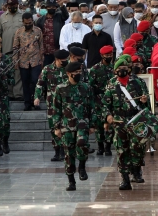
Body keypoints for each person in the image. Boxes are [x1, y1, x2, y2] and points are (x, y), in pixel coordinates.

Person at [103, 55, 150, 190]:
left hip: (136, 119)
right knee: (121, 150)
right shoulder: (111, 84)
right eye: (119, 68)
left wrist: (144, 101)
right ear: (115, 70)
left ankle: (136, 171)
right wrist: (108, 116)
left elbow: (147, 101)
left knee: (137, 148)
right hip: (119, 121)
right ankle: (124, 179)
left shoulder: (138, 82)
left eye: (125, 68)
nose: (122, 70)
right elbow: (106, 104)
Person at [52, 62, 96, 191]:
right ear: (68, 74)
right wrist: (56, 127)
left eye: (79, 72)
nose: (78, 74)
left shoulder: (86, 87)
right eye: (75, 73)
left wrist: (92, 125)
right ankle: (71, 180)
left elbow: (92, 107)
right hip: (67, 125)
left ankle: (82, 166)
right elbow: (56, 109)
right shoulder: (60, 88)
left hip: (83, 123)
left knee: (82, 143)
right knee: (68, 153)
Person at [34, 49, 69, 162]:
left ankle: (65, 151)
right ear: (57, 60)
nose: (65, 61)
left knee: (65, 127)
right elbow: (40, 84)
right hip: (52, 105)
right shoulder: (47, 69)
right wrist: (37, 97)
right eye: (63, 60)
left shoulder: (68, 69)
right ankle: (57, 151)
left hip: (66, 104)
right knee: (54, 128)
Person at [13, 13, 44, 111]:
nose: (28, 24)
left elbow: (41, 46)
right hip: (23, 61)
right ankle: (27, 103)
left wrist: (41, 60)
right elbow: (15, 47)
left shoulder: (38, 31)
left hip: (36, 60)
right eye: (26, 23)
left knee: (35, 80)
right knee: (25, 82)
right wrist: (15, 61)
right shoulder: (19, 32)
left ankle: (36, 102)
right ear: (23, 22)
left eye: (30, 23)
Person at [88, 45, 115, 156]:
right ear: (101, 56)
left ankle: (108, 147)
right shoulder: (95, 69)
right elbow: (90, 86)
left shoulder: (114, 68)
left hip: (111, 101)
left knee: (110, 125)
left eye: (110, 54)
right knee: (99, 126)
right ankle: (100, 147)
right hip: (98, 101)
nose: (108, 56)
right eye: (106, 55)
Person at [0, 0, 23, 100]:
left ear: (17, 4)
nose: (12, 7)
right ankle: (10, 94)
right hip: (6, 50)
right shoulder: (2, 17)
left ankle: (18, 94)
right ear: (7, 5)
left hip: (20, 50)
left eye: (14, 5)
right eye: (10, 5)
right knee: (8, 71)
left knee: (18, 73)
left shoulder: (23, 15)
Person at [35, 0, 69, 66]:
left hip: (57, 50)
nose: (51, 8)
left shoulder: (59, 17)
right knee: (46, 70)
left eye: (53, 7)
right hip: (45, 51)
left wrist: (62, 6)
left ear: (56, 8)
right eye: (49, 7)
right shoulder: (40, 20)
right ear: (46, 8)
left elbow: (66, 16)